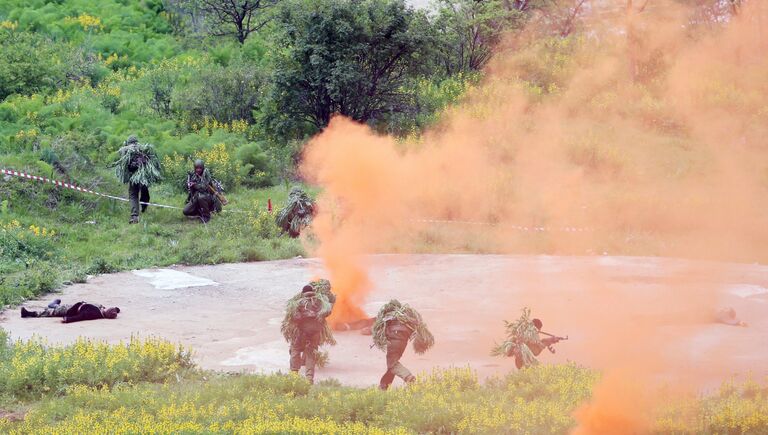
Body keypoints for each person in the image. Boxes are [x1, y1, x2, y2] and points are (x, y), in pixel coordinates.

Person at [372, 300, 434, 390]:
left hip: (394, 341)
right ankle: (383, 386)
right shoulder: (405, 316)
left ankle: (409, 377)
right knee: (392, 363)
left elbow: (380, 327)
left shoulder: (389, 315)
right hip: (403, 342)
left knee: (392, 364)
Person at [286, 285, 333, 384]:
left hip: (301, 332)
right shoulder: (320, 302)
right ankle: (309, 378)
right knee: (311, 353)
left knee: (295, 349)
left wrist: (303, 317)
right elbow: (328, 311)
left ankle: (294, 375)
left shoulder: (299, 303)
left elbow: (295, 317)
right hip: (315, 333)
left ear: (303, 293)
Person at [492, 308, 565, 369]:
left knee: (544, 341)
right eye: (539, 329)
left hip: (523, 359)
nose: (539, 331)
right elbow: (536, 343)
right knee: (544, 341)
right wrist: (548, 342)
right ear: (536, 328)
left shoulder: (524, 333)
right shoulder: (530, 336)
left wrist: (549, 342)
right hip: (528, 356)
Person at [114, 135, 159, 224]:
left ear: (128, 142)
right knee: (144, 190)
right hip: (144, 174)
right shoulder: (143, 147)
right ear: (136, 141)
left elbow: (120, 155)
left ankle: (134, 216)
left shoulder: (125, 148)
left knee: (133, 195)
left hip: (133, 175)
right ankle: (144, 207)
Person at [20, 299, 120, 323]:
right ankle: (55, 305)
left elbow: (81, 317)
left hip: (71, 310)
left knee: (51, 311)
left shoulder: (93, 313)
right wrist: (117, 310)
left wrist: (68, 319)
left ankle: (28, 313)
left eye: (108, 309)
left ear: (106, 313)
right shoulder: (101, 310)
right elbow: (114, 310)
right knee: (59, 307)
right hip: (76, 305)